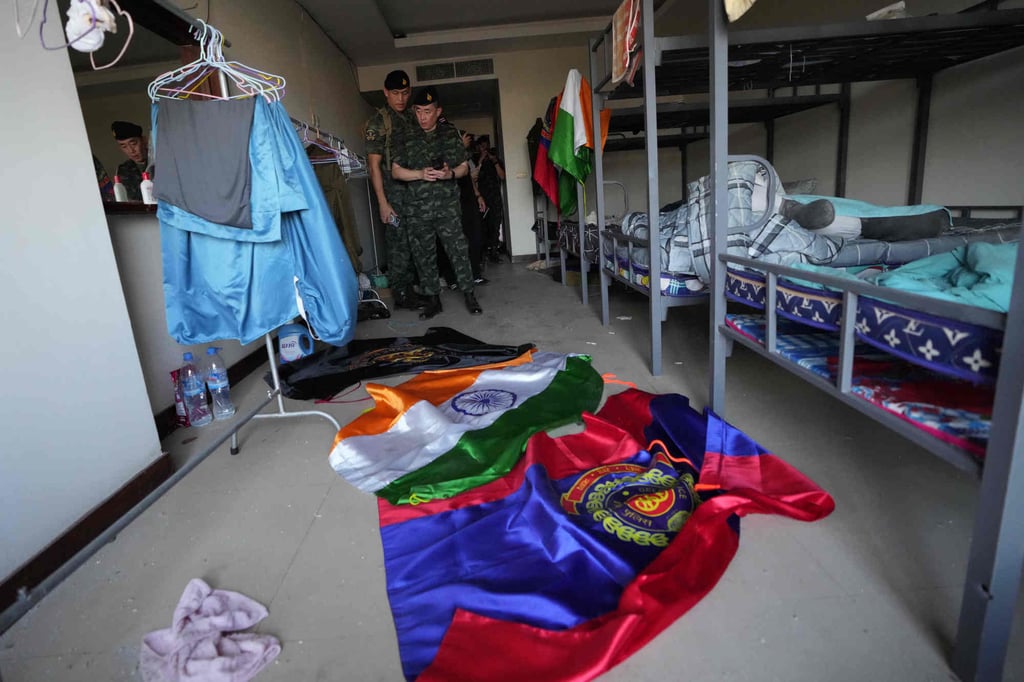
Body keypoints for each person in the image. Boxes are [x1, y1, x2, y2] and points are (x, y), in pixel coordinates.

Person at [391, 86, 482, 319]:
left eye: (428, 111)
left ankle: (469, 294)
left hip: (447, 207)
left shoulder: (450, 134)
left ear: (438, 111)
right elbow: (396, 171)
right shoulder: (405, 135)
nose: (422, 116)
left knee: (458, 250)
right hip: (418, 208)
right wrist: (420, 174)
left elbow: (463, 167)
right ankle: (433, 300)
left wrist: (449, 174)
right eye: (419, 111)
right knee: (423, 254)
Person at [363, 69, 423, 310]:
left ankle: (411, 289)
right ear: (386, 92)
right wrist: (382, 203)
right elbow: (374, 166)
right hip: (393, 193)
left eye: (405, 93)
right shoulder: (378, 123)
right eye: (396, 93)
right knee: (398, 244)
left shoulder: (411, 118)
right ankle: (401, 293)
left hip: (415, 192)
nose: (401, 98)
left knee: (414, 242)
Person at [437, 127, 488, 287]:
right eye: (463, 137)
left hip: (468, 201)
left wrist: (478, 195)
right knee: (450, 240)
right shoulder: (444, 152)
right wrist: (459, 145)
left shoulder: (464, 156)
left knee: (474, 236)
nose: (467, 140)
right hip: (450, 202)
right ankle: (451, 278)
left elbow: (469, 178)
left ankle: (475, 274)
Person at [474, 134, 506, 263]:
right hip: (481, 198)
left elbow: (503, 177)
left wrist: (495, 162)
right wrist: (480, 161)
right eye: (482, 147)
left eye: (486, 146)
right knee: (482, 226)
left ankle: (494, 252)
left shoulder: (495, 159)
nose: (485, 149)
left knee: (495, 224)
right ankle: (482, 254)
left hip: (495, 197)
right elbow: (473, 178)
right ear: (478, 148)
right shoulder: (474, 159)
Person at [111, 120, 153, 202]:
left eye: (133, 144)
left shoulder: (159, 162)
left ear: (144, 140)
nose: (131, 150)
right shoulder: (123, 170)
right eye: (124, 146)